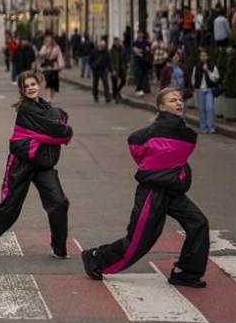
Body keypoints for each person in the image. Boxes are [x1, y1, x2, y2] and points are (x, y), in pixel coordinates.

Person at [81, 88, 209, 288]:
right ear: (161, 107)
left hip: (173, 191)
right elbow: (135, 143)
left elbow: (178, 157)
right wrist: (153, 170)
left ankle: (185, 272)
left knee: (198, 223)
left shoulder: (185, 133)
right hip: (152, 192)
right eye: (173, 100)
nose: (179, 103)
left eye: (180, 99)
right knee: (139, 241)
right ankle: (96, 258)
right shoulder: (152, 132)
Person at [0, 71, 73, 259]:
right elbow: (60, 129)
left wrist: (60, 128)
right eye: (27, 86)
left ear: (39, 84)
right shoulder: (27, 109)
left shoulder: (44, 108)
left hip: (43, 165)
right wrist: (60, 129)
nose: (31, 88)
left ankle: (59, 249)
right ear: (22, 91)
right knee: (9, 208)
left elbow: (62, 119)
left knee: (58, 203)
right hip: (21, 164)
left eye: (33, 84)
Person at [192, 48, 220, 134]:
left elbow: (215, 78)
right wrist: (195, 86)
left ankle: (211, 126)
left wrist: (207, 70)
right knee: (201, 109)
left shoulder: (212, 66)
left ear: (208, 57)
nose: (203, 58)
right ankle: (203, 126)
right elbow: (193, 78)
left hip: (209, 90)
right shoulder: (196, 67)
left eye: (205, 56)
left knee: (210, 108)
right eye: (201, 56)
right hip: (200, 90)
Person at [37, 33, 65, 102]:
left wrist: (61, 65)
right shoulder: (44, 47)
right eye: (47, 40)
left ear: (52, 41)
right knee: (48, 82)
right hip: (47, 67)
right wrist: (46, 48)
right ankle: (48, 97)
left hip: (54, 67)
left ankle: (51, 97)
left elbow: (59, 56)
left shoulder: (57, 47)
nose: (48, 42)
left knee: (54, 84)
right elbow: (40, 54)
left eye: (49, 40)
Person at [89, 38, 112, 103]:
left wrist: (111, 70)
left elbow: (109, 62)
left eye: (103, 46)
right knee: (95, 84)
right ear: (98, 46)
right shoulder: (94, 52)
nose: (101, 47)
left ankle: (107, 97)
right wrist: (92, 66)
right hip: (96, 70)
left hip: (103, 70)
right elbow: (90, 60)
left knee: (105, 83)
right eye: (100, 46)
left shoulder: (106, 53)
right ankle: (95, 96)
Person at [132, 28, 152, 96]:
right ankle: (138, 89)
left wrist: (140, 51)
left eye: (141, 33)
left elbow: (147, 50)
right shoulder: (135, 42)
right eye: (139, 33)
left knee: (144, 75)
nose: (140, 35)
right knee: (139, 75)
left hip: (144, 61)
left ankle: (141, 89)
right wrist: (142, 51)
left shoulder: (145, 42)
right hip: (138, 61)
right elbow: (135, 51)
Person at [109, 36, 126, 103]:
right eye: (116, 42)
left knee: (123, 80)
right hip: (115, 69)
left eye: (118, 42)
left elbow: (124, 59)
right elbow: (110, 61)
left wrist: (125, 67)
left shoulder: (122, 50)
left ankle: (117, 91)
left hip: (121, 68)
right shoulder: (111, 51)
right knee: (114, 83)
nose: (117, 43)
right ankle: (115, 97)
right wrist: (112, 70)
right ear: (114, 42)